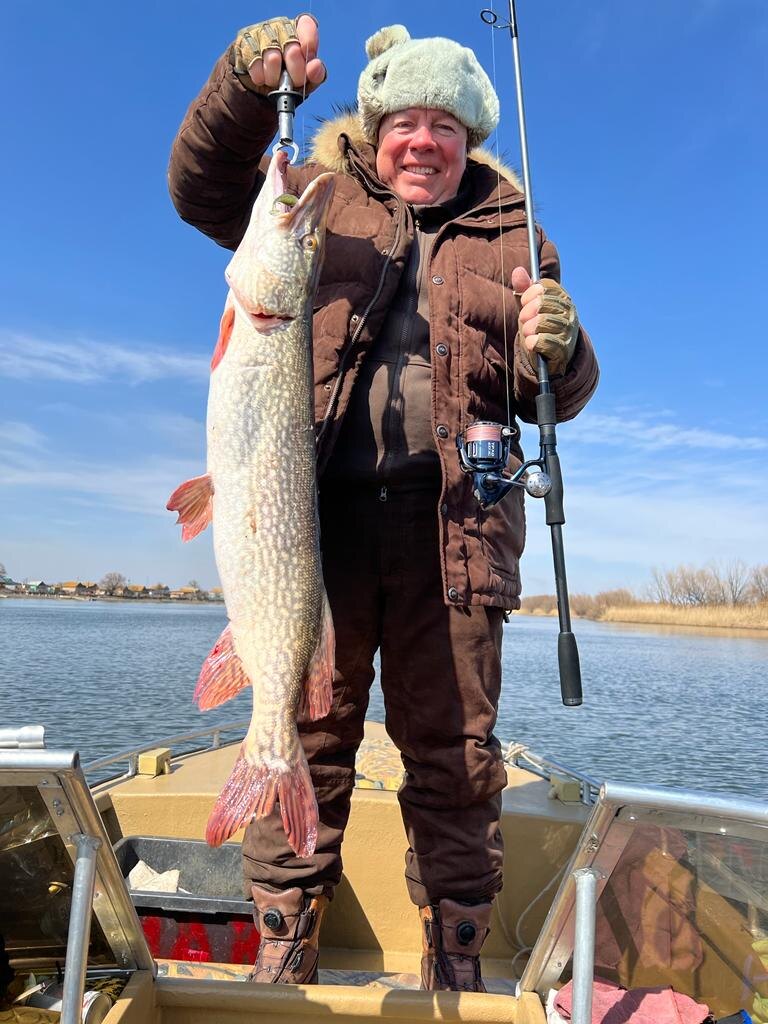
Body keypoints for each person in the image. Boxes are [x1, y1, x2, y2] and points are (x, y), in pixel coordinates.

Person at [169, 15, 599, 991]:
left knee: (456, 757)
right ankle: (284, 939)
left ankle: (455, 958)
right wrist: (245, 84)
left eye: (444, 124)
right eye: (404, 119)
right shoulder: (314, 198)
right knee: (312, 731)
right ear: (374, 126)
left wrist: (564, 351)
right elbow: (200, 188)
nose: (421, 140)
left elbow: (561, 396)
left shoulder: (518, 233)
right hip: (313, 521)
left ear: (471, 136)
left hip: (457, 534)